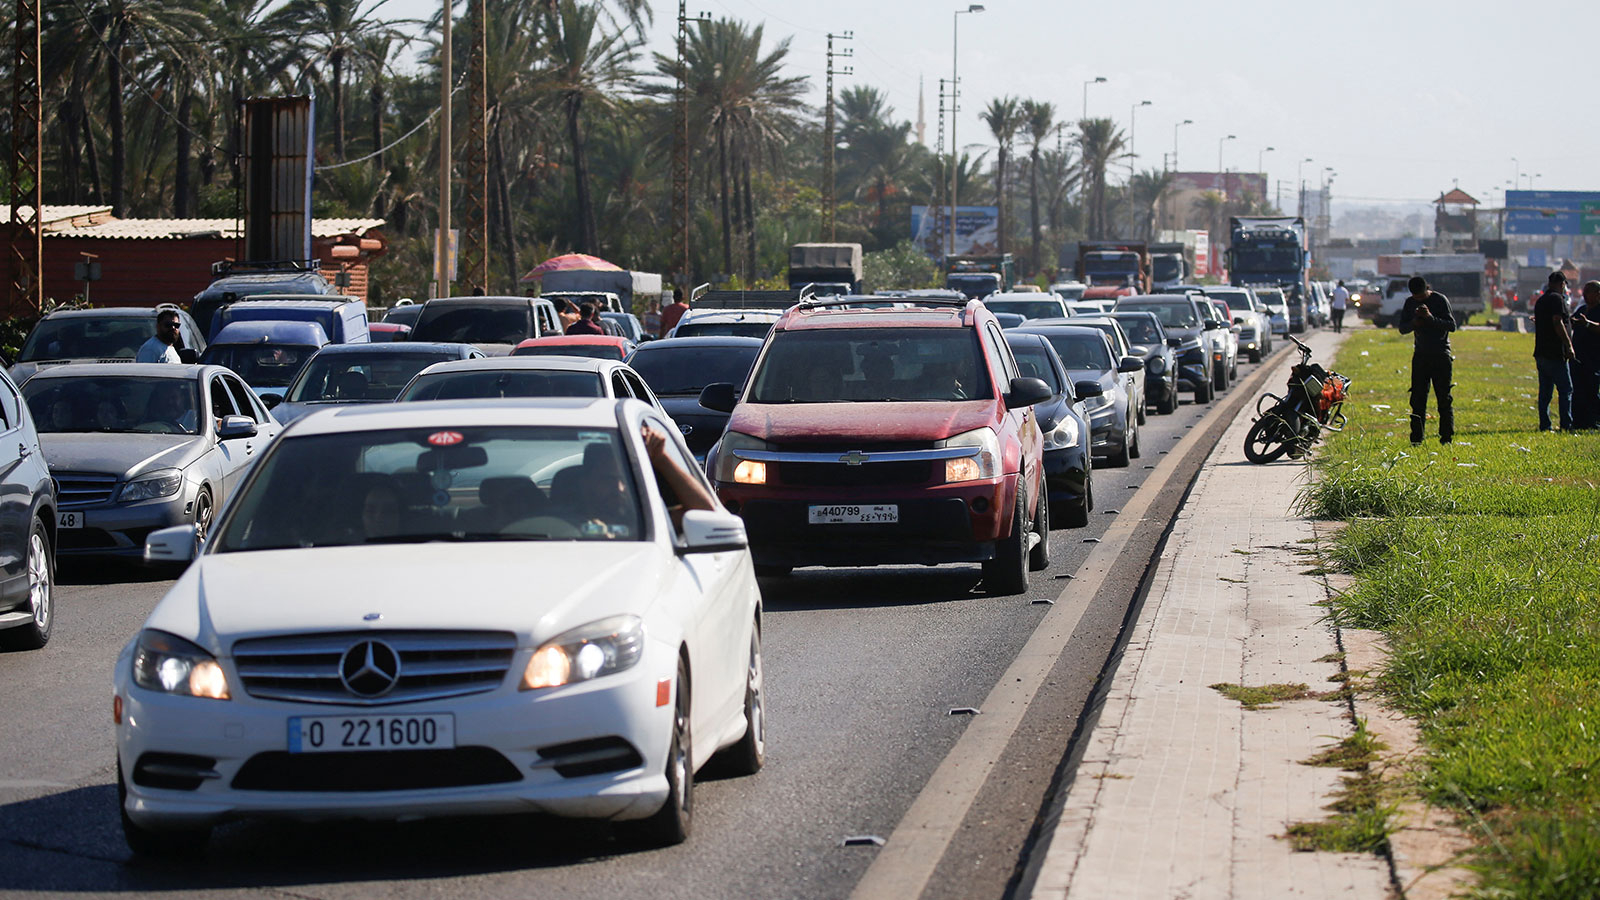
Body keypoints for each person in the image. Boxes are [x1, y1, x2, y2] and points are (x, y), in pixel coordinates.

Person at [1396, 275, 1455, 445]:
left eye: (1422, 297)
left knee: (1444, 398)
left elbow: (1451, 326)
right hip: (1421, 356)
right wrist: (1415, 322)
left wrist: (1430, 318)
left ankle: (1446, 438)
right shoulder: (1409, 303)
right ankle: (1416, 439)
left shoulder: (1439, 300)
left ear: (1427, 290)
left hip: (1441, 354)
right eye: (1416, 298)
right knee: (1417, 399)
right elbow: (1402, 328)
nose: (1419, 300)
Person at [1532, 271, 1576, 432]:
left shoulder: (1541, 300)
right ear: (1562, 284)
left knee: (1545, 393)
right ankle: (1566, 425)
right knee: (1566, 390)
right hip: (1555, 353)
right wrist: (1568, 345)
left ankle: (1545, 425)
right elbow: (1557, 322)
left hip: (1541, 352)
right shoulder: (1558, 299)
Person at [1570, 281, 1600, 429]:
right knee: (1577, 390)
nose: (1585, 295)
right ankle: (1578, 421)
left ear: (1597, 294)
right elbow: (1572, 321)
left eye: (1589, 292)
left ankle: (1593, 421)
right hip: (1577, 357)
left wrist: (1587, 323)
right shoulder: (1582, 308)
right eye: (1585, 291)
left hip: (1593, 358)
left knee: (1591, 390)